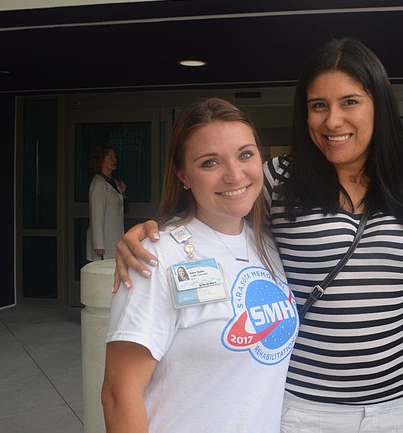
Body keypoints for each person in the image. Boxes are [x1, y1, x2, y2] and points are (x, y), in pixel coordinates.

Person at [115, 39, 403, 431]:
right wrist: (147, 233)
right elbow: (216, 206)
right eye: (318, 105)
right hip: (308, 407)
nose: (332, 120)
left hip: (402, 402)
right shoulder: (276, 180)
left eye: (350, 102)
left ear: (379, 105)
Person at [101, 98, 298, 432]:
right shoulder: (157, 255)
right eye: (210, 163)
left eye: (245, 154)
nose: (234, 175)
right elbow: (119, 394)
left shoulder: (267, 244)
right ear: (183, 175)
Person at [86, 146, 127, 261]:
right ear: (101, 160)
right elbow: (96, 214)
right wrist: (99, 244)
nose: (114, 160)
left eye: (114, 156)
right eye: (110, 157)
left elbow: (122, 208)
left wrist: (122, 193)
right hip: (104, 242)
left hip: (114, 237)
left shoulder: (113, 182)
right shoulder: (99, 184)